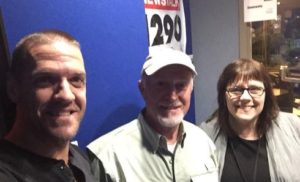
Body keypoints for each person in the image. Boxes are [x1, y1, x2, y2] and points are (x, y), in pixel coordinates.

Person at [87, 46, 218, 182]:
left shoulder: (204, 143)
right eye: (161, 84)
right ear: (143, 89)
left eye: (181, 85)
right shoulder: (108, 157)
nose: (172, 96)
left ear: (191, 89)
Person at [0, 30, 100, 182]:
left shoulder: (78, 158)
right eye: (45, 80)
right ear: (13, 89)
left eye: (76, 80)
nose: (67, 95)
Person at [200, 58, 300, 182]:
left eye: (254, 89)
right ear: (224, 95)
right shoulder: (204, 136)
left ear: (266, 94)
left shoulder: (294, 128)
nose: (245, 97)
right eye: (236, 90)